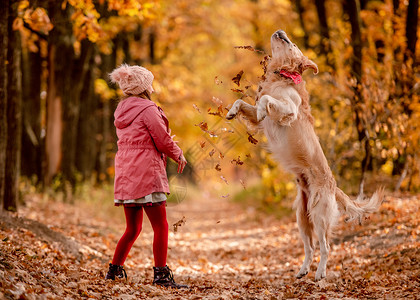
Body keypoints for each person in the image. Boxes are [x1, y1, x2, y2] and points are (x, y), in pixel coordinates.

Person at [105, 64, 188, 289]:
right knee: (160, 225)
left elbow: (139, 139)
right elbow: (161, 139)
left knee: (132, 228)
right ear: (144, 87)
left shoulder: (121, 111)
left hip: (126, 173)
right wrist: (177, 153)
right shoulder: (148, 109)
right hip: (146, 173)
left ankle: (113, 272)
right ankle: (161, 275)